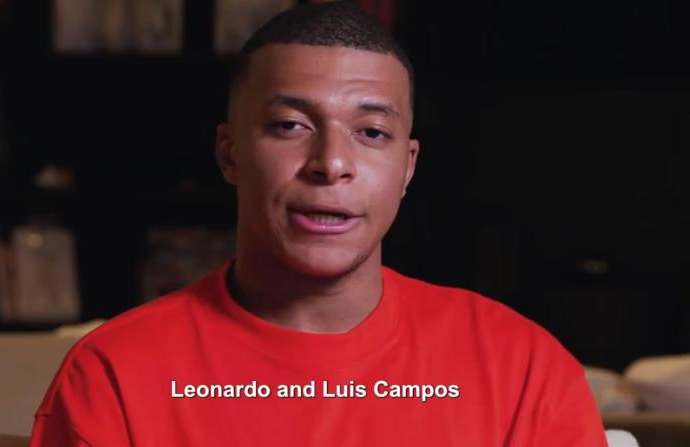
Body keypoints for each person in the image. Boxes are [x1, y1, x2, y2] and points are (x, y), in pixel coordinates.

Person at [30, 2, 608, 445]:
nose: (331, 164)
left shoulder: (521, 368)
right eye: (290, 126)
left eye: (371, 132)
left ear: (407, 167)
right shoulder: (116, 375)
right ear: (230, 154)